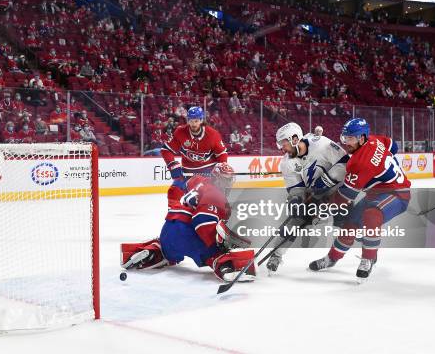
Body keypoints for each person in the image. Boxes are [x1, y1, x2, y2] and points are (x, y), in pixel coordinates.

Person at [309, 118, 411, 279]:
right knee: (351, 223)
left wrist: (323, 210)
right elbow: (393, 146)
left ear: (361, 138)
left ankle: (368, 258)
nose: (345, 143)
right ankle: (332, 258)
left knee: (372, 214)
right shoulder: (374, 139)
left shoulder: (360, 162)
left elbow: (346, 197)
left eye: (350, 138)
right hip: (377, 193)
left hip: (397, 193)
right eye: (344, 138)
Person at [119, 163, 255, 282]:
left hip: (168, 227)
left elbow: (175, 189)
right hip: (187, 233)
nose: (229, 184)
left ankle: (155, 250)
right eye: (227, 181)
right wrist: (218, 246)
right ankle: (226, 267)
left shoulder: (197, 180)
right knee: (215, 253)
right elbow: (201, 220)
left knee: (167, 251)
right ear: (218, 180)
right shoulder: (217, 195)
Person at [264, 123, 348, 273]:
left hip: (339, 191)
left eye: (283, 143)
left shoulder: (322, 144)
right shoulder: (286, 163)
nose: (281, 148)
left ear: (294, 139)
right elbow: (296, 188)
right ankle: (276, 255)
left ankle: (352, 255)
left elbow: (345, 164)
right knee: (295, 219)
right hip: (316, 196)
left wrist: (325, 181)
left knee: (351, 224)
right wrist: (295, 201)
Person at [161, 106, 228, 180]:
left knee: (207, 191)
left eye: (196, 121)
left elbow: (221, 153)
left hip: (208, 169)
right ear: (188, 121)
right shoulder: (180, 132)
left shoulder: (213, 134)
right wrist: (172, 164)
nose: (194, 124)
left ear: (201, 120)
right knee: (174, 191)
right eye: (191, 121)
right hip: (187, 170)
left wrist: (221, 168)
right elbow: (166, 150)